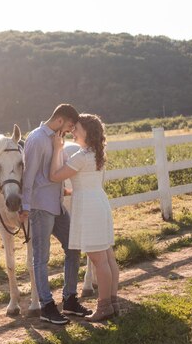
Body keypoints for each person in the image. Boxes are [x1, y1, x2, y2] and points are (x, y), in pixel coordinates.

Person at [20, 104, 92, 325]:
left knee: (73, 246)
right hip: (41, 207)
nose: (72, 130)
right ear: (60, 120)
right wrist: (25, 205)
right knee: (41, 258)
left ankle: (70, 299)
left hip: (58, 205)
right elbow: (29, 174)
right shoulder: (37, 139)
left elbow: (57, 171)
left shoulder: (57, 139)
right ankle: (46, 306)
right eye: (71, 125)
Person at [49, 113, 119, 322]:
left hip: (89, 209)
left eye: (77, 128)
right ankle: (112, 302)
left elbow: (54, 176)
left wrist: (56, 150)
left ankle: (104, 306)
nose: (73, 131)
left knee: (99, 260)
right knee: (107, 257)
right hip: (98, 202)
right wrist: (70, 193)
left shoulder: (80, 156)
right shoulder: (96, 153)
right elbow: (85, 182)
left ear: (88, 132)